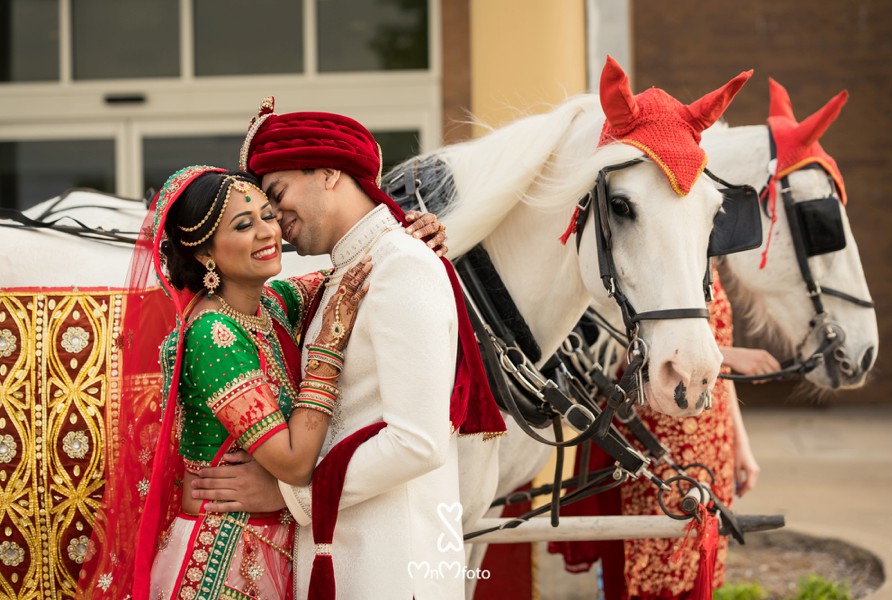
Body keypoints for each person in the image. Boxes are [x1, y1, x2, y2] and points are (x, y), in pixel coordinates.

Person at [75, 165, 453, 600]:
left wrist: (403, 240)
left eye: (267, 216)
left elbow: (351, 276)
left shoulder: (269, 308)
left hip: (267, 556)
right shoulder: (212, 334)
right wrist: (326, 350)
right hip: (223, 566)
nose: (267, 232)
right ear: (204, 255)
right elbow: (293, 463)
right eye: (243, 224)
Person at [190, 100, 507, 599]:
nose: (274, 221)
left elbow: (417, 442)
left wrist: (287, 495)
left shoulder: (400, 266)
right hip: (352, 561)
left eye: (277, 195)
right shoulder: (349, 273)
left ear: (330, 171)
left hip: (393, 569)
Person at [548, 266, 776, 599]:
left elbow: (720, 377)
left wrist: (740, 443)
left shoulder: (707, 262)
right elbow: (625, 340)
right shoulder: (655, 253)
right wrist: (729, 356)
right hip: (654, 431)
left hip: (712, 438)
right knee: (649, 559)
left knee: (697, 554)